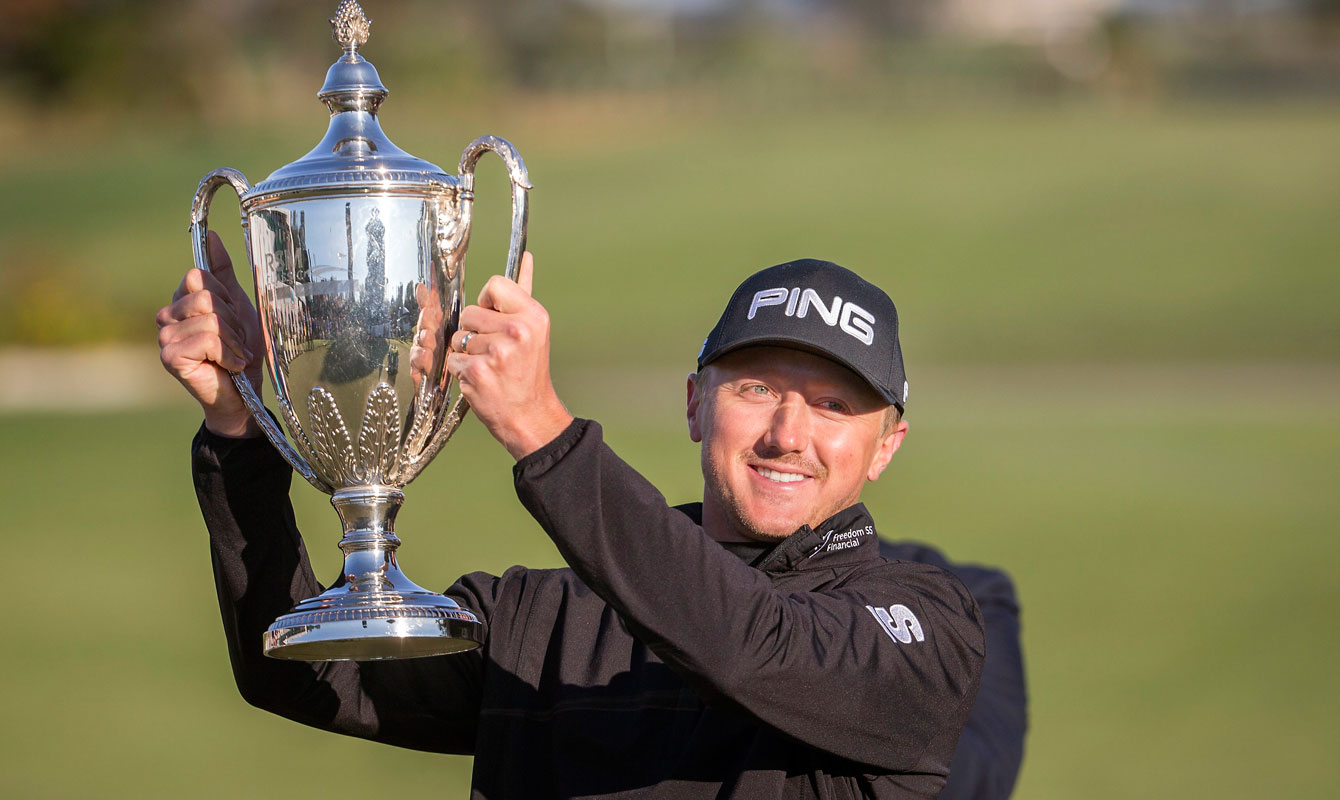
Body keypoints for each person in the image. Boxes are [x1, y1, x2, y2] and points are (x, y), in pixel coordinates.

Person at [158, 236, 1026, 799]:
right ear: (695, 405)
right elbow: (304, 672)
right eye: (756, 389)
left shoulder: (927, 628)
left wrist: (542, 428)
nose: (787, 434)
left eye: (835, 406)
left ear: (886, 446)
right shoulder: (543, 617)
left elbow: (752, 642)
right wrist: (238, 430)